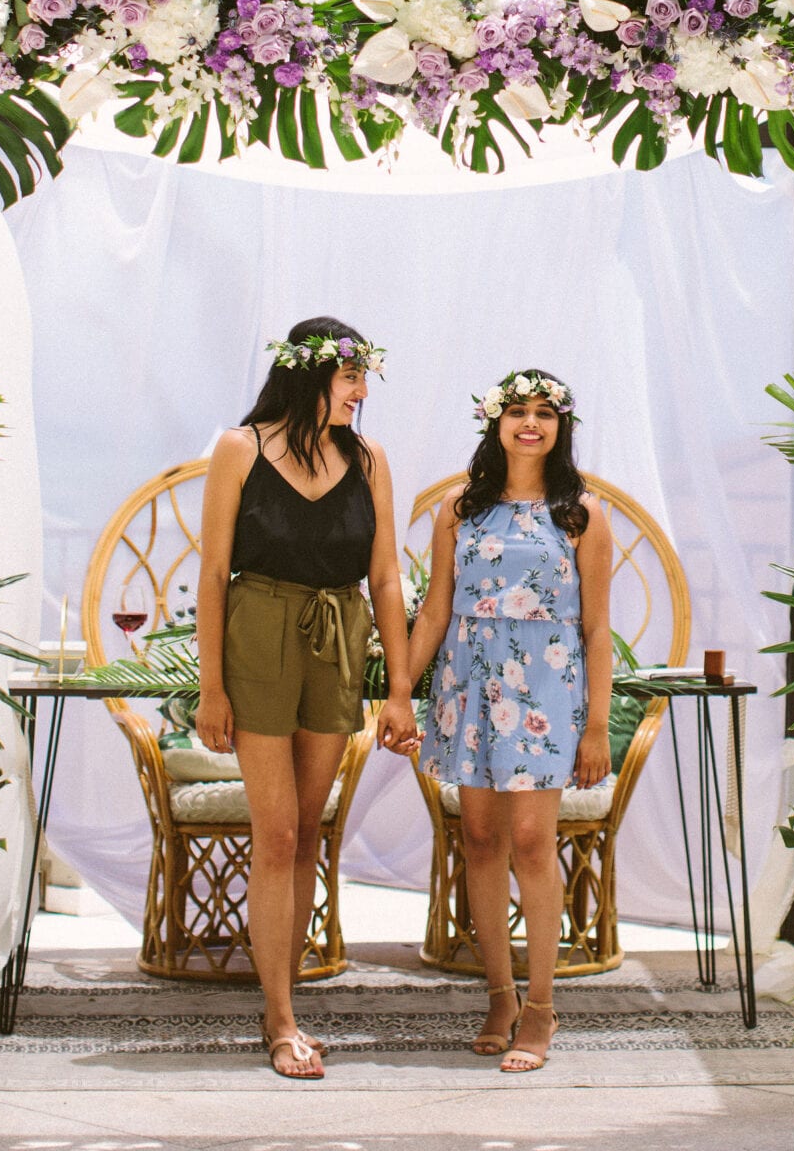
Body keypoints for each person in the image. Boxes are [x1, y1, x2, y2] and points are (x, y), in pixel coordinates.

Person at [195, 316, 417, 1080]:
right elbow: (212, 572)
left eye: (363, 378)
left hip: (340, 634)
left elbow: (386, 577)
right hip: (257, 626)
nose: (361, 393)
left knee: (309, 835)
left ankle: (277, 1004)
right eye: (350, 377)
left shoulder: (370, 459)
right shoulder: (239, 448)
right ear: (309, 376)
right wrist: (211, 687)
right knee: (279, 834)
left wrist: (400, 691)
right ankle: (283, 1020)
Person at [407, 368, 612, 1073]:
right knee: (482, 837)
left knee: (531, 838)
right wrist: (400, 691)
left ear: (561, 427)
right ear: (494, 423)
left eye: (544, 412)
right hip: (469, 681)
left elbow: (596, 629)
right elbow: (434, 610)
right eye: (517, 411)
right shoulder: (458, 510)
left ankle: (543, 1005)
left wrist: (595, 727)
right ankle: (498, 995)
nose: (530, 423)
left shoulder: (580, 513)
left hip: (548, 688)